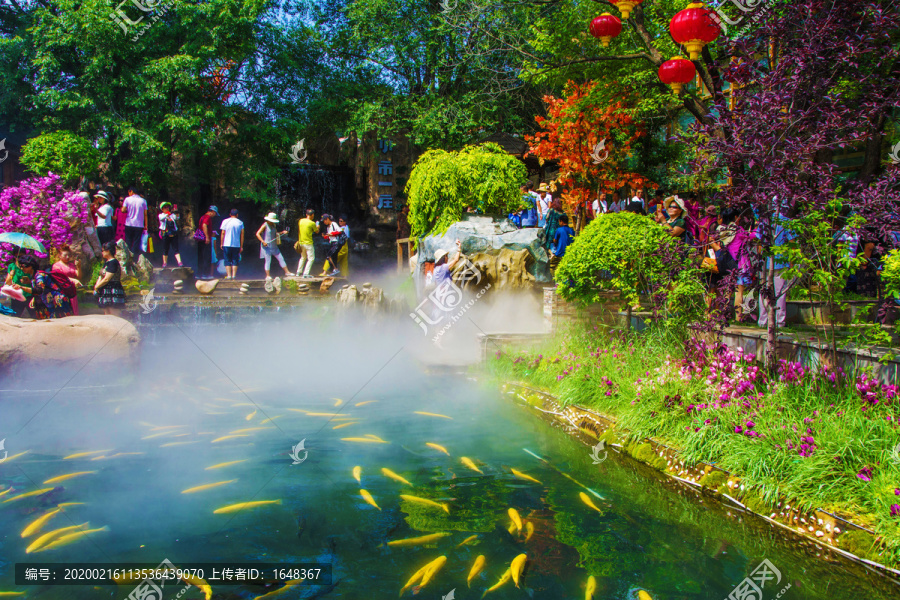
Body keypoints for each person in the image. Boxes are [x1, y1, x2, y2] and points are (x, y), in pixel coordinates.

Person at [12, 255, 73, 319]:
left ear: (31, 266)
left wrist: (21, 287)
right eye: (21, 266)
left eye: (23, 266)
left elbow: (39, 290)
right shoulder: (34, 276)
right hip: (49, 303)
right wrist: (34, 298)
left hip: (57, 303)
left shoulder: (39, 275)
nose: (22, 269)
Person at [256, 212, 293, 279]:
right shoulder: (265, 225)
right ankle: (267, 276)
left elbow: (275, 234)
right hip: (267, 246)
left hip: (274, 246)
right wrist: (263, 241)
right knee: (268, 261)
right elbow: (257, 233)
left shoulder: (273, 225)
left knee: (281, 258)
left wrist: (282, 232)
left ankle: (287, 272)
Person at [94, 241, 126, 315]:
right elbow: (101, 276)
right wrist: (97, 286)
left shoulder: (113, 262)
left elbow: (106, 279)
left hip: (113, 289)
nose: (102, 253)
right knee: (107, 312)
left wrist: (97, 287)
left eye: (103, 251)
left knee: (114, 312)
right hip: (105, 289)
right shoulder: (107, 262)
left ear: (107, 251)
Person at [51, 246, 84, 315]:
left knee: (74, 310)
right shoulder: (56, 266)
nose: (67, 257)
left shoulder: (71, 265)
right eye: (65, 255)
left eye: (69, 255)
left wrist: (78, 267)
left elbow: (79, 276)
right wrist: (74, 280)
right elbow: (61, 277)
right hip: (62, 291)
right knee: (64, 310)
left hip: (72, 290)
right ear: (60, 256)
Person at [123, 186, 148, 257]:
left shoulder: (127, 199)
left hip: (129, 224)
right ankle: (134, 257)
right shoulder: (143, 201)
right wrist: (146, 225)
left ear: (131, 191)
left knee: (128, 241)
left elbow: (123, 210)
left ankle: (127, 256)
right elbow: (145, 214)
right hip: (139, 225)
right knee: (136, 242)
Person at [220, 208, 244, 280]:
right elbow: (242, 234)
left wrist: (221, 243)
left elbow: (223, 233)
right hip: (236, 244)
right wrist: (241, 246)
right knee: (235, 259)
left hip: (226, 243)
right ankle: (234, 275)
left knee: (227, 259)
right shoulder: (240, 222)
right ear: (237, 215)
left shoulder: (225, 221)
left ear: (230, 214)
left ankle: (229, 275)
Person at [157, 202, 184, 268]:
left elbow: (177, 217)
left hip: (173, 233)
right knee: (165, 249)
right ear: (162, 209)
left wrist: (176, 211)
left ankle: (179, 262)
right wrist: (167, 214)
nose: (167, 208)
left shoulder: (172, 215)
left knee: (176, 249)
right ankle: (165, 263)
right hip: (165, 234)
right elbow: (161, 218)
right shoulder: (161, 215)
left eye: (168, 207)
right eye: (165, 207)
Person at [196, 205, 218, 280]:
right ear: (212, 211)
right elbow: (204, 225)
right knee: (206, 257)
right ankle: (205, 274)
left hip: (200, 239)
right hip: (205, 240)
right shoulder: (207, 217)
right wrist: (207, 237)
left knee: (201, 257)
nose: (214, 215)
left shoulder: (202, 217)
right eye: (215, 213)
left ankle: (199, 273)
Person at [295, 209, 318, 278]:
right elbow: (316, 231)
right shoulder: (312, 223)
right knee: (311, 258)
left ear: (306, 214)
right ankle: (306, 273)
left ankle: (298, 272)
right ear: (312, 215)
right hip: (308, 243)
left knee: (303, 257)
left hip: (301, 242)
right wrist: (318, 226)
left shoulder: (301, 221)